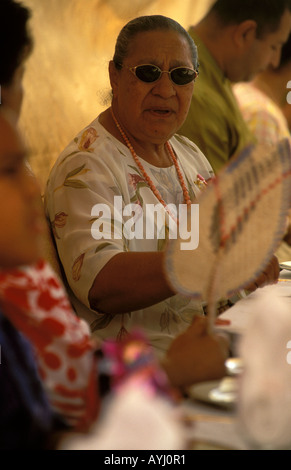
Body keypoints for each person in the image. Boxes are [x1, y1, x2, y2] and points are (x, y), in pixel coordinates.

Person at [45, 14, 279, 360]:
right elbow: (101, 282)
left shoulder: (187, 153)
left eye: (182, 76)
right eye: (148, 72)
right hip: (144, 370)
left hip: (210, 346)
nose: (166, 90)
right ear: (115, 74)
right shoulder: (88, 164)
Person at [178, 0, 291, 174]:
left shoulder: (216, 77)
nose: (274, 61)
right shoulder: (196, 95)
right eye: (273, 46)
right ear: (245, 34)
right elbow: (212, 197)